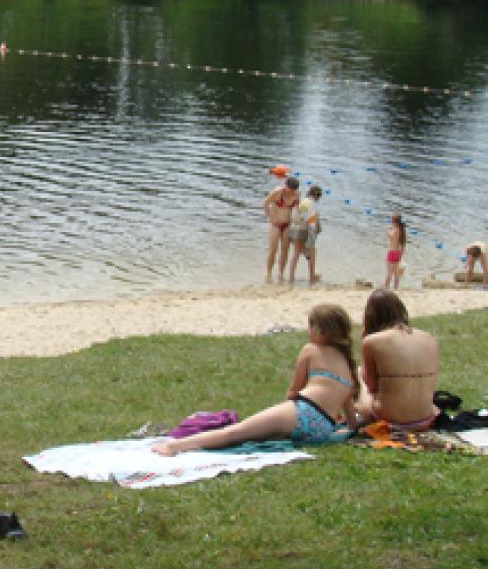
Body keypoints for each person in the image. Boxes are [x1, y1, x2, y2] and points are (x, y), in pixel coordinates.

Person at [152, 304, 359, 456]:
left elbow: (293, 391)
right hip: (322, 428)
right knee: (256, 432)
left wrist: (284, 410)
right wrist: (347, 430)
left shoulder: (311, 350)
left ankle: (174, 447)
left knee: (236, 432)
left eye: (310, 327)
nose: (308, 331)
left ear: (320, 331)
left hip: (305, 412)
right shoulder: (347, 364)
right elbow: (350, 415)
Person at [357, 289, 439, 430]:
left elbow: (371, 386)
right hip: (426, 417)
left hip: (389, 419)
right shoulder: (429, 338)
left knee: (359, 372)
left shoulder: (371, 342)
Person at [262, 174, 301, 283]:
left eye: (294, 190)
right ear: (286, 186)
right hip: (275, 224)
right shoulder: (278, 192)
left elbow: (298, 210)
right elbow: (265, 203)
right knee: (273, 250)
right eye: (290, 190)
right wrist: (270, 216)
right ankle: (268, 274)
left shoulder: (297, 194)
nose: (292, 192)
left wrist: (299, 222)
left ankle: (280, 273)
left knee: (285, 250)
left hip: (287, 224)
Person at [287, 185, 323, 285]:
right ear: (317, 196)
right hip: (305, 229)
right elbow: (310, 220)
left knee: (295, 254)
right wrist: (313, 234)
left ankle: (291, 278)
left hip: (294, 228)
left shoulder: (302, 200)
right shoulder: (312, 203)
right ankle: (312, 277)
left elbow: (297, 215)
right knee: (312, 253)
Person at [384, 213, 406, 289]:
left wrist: (387, 231)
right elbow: (403, 244)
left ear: (394, 222)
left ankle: (385, 288)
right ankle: (396, 288)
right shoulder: (401, 230)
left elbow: (392, 236)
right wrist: (401, 255)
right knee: (396, 273)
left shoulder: (395, 230)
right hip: (398, 252)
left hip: (392, 252)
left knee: (389, 273)